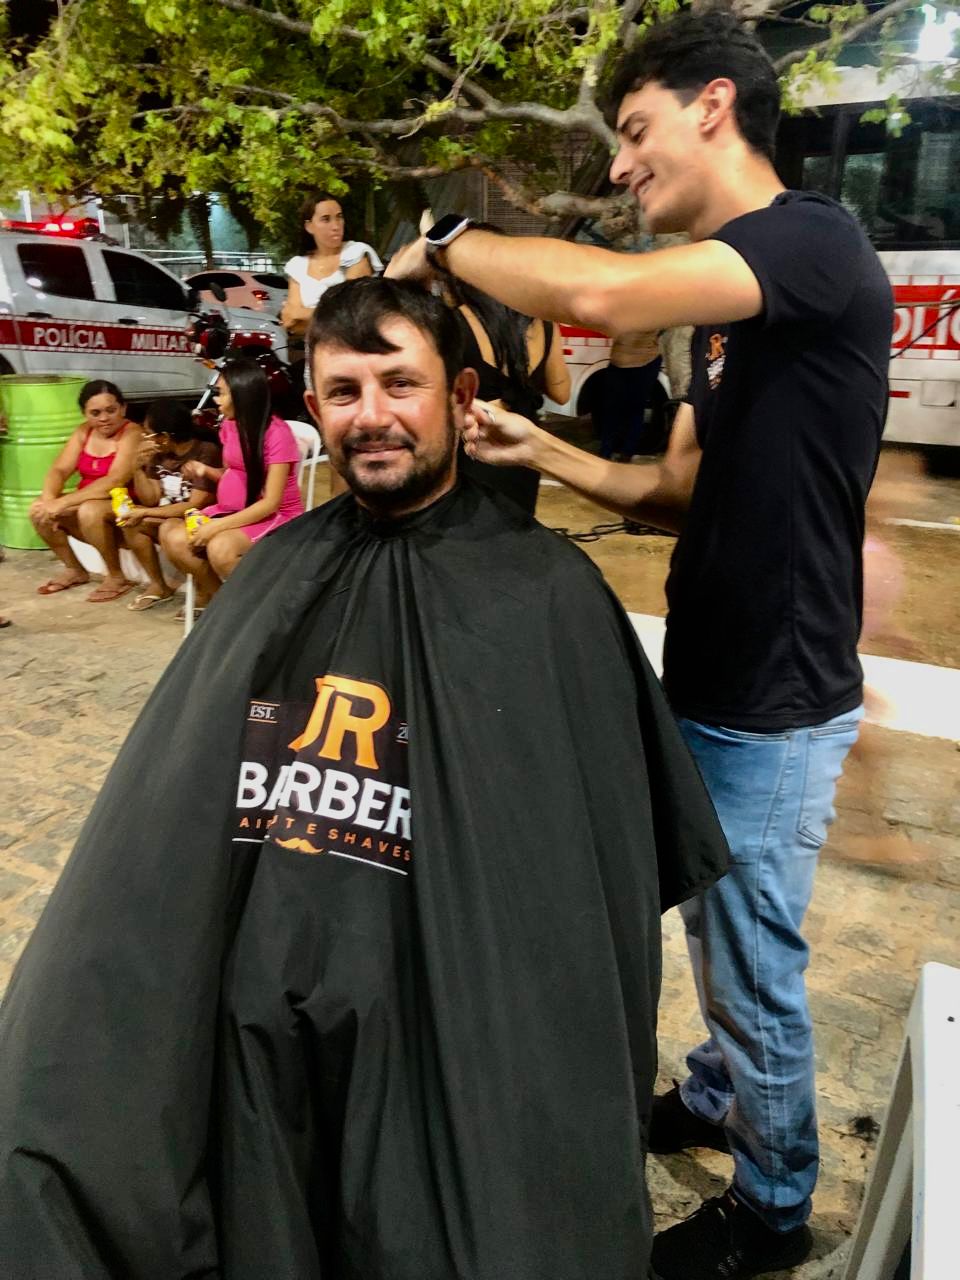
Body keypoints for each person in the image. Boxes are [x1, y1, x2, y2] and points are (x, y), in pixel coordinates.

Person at [0, 277, 728, 1279]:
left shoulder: (548, 595)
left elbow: (591, 876)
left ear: (459, 394)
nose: (372, 415)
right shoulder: (273, 573)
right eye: (344, 391)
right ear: (314, 407)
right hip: (267, 1012)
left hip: (454, 1009)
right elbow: (169, 826)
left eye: (400, 384)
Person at [387, 11, 893, 1279]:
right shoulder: (722, 313)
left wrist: (446, 241)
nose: (619, 164)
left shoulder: (810, 243)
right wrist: (540, 448)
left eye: (633, 129)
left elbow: (594, 291)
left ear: (712, 105)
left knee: (749, 957)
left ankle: (773, 1206)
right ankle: (720, 1093)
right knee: (719, 922)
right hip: (714, 665)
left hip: (779, 691)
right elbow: (675, 495)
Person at [160, 358, 305, 615]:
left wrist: (216, 526)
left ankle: (261, 612)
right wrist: (206, 471)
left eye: (222, 393)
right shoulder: (229, 426)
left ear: (242, 395)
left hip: (277, 516)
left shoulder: (277, 434)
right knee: (171, 533)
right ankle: (223, 606)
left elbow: (271, 503)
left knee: (221, 547)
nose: (217, 400)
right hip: (234, 511)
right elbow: (233, 473)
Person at [449, 271, 570, 512]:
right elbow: (562, 393)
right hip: (523, 449)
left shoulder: (453, 322)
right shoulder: (544, 324)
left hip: (473, 448)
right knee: (517, 523)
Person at [29, 379, 142, 603]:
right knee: (37, 508)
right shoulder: (84, 431)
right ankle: (74, 570)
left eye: (111, 410)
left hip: (124, 504)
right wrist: (49, 501)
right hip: (85, 502)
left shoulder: (133, 433)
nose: (104, 418)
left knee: (89, 510)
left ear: (123, 408)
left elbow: (115, 481)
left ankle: (116, 576)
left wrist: (63, 502)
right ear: (85, 414)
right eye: (95, 413)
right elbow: (59, 470)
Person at [120, 400, 222, 611]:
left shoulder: (205, 451)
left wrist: (145, 512)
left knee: (166, 526)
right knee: (131, 522)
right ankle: (159, 585)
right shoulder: (158, 455)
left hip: (200, 518)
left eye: (149, 434)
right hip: (172, 515)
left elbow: (195, 504)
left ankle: (210, 592)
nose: (145, 439)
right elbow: (150, 499)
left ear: (164, 437)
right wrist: (137, 468)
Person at [280, 192, 384, 338]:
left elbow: (351, 313)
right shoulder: (298, 266)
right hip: (313, 349)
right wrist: (332, 315)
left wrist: (303, 315)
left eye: (339, 217)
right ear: (309, 226)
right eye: (326, 219)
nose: (336, 226)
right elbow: (291, 322)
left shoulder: (356, 253)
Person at [592, 329, 662, 460]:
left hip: (629, 362)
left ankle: (609, 451)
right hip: (642, 361)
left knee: (616, 410)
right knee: (633, 410)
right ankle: (624, 452)